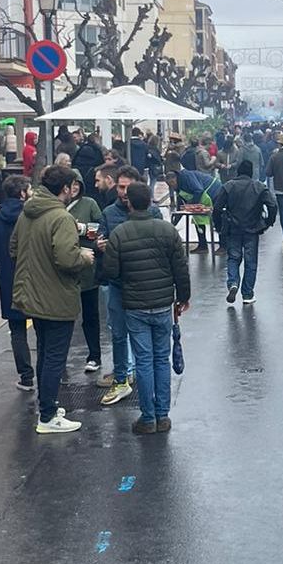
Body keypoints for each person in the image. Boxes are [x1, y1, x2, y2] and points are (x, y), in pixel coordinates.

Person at [10, 165, 93, 434]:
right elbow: (67, 258)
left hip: (31, 294)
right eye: (71, 187)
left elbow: (13, 248)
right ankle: (47, 416)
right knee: (55, 357)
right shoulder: (61, 217)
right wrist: (84, 255)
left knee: (45, 353)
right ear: (66, 188)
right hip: (56, 296)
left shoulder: (28, 212)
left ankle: (47, 405)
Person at [103, 182, 190, 435]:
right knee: (161, 359)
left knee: (143, 361)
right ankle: (163, 415)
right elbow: (180, 268)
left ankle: (148, 417)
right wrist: (183, 297)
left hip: (135, 306)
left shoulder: (119, 234)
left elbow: (110, 271)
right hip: (163, 304)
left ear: (129, 202)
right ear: (151, 201)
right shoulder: (166, 231)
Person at [96, 166, 163, 404]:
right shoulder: (108, 213)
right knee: (118, 333)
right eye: (120, 187)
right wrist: (102, 247)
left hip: (145, 286)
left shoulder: (153, 213)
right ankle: (122, 378)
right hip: (117, 284)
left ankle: (150, 388)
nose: (123, 192)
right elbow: (100, 241)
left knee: (147, 340)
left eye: (127, 187)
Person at [0, 174, 35, 392]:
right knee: (43, 326)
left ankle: (26, 376)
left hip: (8, 279)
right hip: (34, 277)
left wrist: (4, 265)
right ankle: (49, 372)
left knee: (17, 330)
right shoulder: (32, 217)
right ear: (22, 193)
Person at [212, 160, 277, 305]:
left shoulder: (228, 186)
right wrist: (267, 222)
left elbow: (216, 208)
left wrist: (218, 226)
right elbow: (272, 205)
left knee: (233, 258)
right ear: (251, 173)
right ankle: (247, 294)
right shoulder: (259, 187)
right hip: (252, 229)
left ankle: (233, 282)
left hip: (233, 229)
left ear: (238, 172)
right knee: (251, 261)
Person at [66, 170, 103, 374]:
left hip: (88, 269)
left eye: (77, 184)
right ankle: (61, 357)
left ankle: (94, 355)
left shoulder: (89, 203)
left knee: (91, 315)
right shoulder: (58, 206)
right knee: (65, 317)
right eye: (70, 184)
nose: (74, 187)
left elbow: (100, 228)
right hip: (66, 268)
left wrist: (82, 229)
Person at [169, 168, 222, 254]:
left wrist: (191, 205)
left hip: (214, 191)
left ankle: (223, 245)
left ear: (176, 178)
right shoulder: (178, 187)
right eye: (170, 185)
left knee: (217, 217)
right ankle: (203, 245)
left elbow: (199, 190)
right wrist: (173, 224)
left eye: (172, 183)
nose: (172, 186)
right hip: (203, 195)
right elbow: (181, 206)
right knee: (198, 219)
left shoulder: (186, 177)